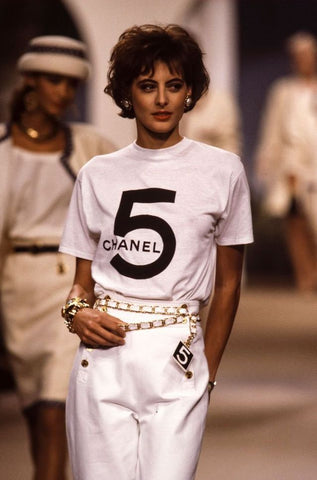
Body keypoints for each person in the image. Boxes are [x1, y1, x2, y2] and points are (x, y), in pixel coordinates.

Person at [59, 24, 253, 480]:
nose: (162, 99)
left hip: (178, 355)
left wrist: (208, 373)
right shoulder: (96, 174)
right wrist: (75, 314)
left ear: (190, 92)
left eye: (174, 85)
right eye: (148, 86)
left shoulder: (223, 171)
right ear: (128, 93)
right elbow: (80, 284)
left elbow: (228, 285)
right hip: (102, 356)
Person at [0, 35, 115, 480]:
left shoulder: (92, 146)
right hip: (17, 285)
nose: (64, 93)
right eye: (54, 80)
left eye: (72, 84)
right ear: (29, 80)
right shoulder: (3, 149)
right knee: (36, 412)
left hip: (75, 282)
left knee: (54, 409)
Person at [255, 32, 317, 292]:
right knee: (295, 218)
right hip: (292, 164)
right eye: (298, 56)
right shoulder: (283, 90)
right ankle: (306, 276)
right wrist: (266, 159)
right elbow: (272, 126)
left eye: (307, 55)